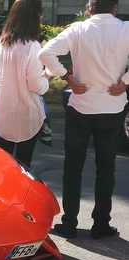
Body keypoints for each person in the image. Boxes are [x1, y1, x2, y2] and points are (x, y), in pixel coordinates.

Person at [39, 0, 129, 240]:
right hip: (111, 107)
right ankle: (101, 223)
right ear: (115, 7)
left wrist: (67, 76)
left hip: (80, 107)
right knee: (106, 167)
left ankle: (69, 222)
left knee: (73, 166)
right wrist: (126, 81)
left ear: (89, 9)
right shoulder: (125, 29)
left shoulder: (78, 29)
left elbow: (45, 53)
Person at [0, 0, 48, 168]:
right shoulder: (32, 46)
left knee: (3, 165)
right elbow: (36, 85)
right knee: (24, 166)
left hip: (2, 114)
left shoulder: (1, 44)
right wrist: (47, 79)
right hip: (25, 115)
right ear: (34, 17)